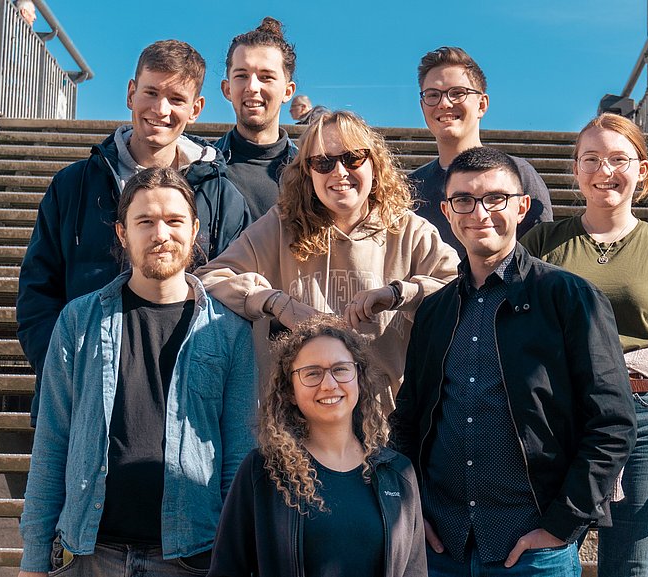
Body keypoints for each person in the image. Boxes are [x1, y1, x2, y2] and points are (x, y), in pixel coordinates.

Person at [389, 146, 637, 576]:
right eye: (463, 200)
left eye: (495, 198)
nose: (479, 212)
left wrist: (561, 526)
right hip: (441, 545)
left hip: (535, 548)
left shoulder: (571, 298)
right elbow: (409, 419)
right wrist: (415, 512)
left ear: (522, 206)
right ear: (447, 213)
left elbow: (613, 422)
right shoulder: (434, 311)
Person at [17, 167, 257, 577]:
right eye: (145, 221)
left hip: (192, 557)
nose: (160, 233)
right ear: (122, 233)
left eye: (174, 220)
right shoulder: (79, 320)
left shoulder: (229, 332)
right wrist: (35, 560)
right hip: (89, 554)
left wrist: (235, 558)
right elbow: (52, 442)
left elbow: (239, 455)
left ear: (195, 230)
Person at [17, 39, 250, 428]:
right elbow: (37, 295)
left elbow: (235, 301)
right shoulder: (72, 186)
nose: (161, 109)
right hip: (83, 398)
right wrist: (66, 370)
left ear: (196, 109)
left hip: (187, 403)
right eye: (151, 92)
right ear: (130, 93)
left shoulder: (221, 196)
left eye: (176, 98)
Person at [196, 110, 459, 412]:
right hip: (302, 422)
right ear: (308, 173)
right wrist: (276, 303)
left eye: (353, 158)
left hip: (389, 423)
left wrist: (398, 294)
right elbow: (211, 279)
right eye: (323, 162)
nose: (339, 172)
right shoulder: (282, 226)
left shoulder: (410, 231)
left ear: (375, 164)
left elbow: (457, 290)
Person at [520, 113, 648, 577]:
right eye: (590, 159)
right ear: (575, 170)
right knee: (548, 560)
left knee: (631, 566)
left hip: (645, 416)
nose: (603, 170)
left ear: (642, 169)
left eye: (618, 159)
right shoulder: (543, 242)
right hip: (560, 418)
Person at [208, 315, 427, 576]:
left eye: (340, 369)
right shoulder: (263, 471)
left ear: (359, 377)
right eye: (312, 373)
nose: (329, 384)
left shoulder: (397, 472)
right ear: (289, 391)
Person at [409, 46, 552, 256]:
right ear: (422, 107)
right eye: (433, 95)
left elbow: (541, 256)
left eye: (457, 93)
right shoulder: (410, 189)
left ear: (482, 104)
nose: (444, 103)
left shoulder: (518, 174)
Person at [217, 17, 298, 220]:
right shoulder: (204, 167)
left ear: (288, 91)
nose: (252, 87)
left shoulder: (309, 171)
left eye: (266, 77)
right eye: (241, 75)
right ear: (227, 89)